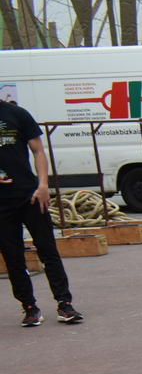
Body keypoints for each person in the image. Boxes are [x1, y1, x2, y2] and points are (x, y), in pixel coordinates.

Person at [0, 97, 81, 327]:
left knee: (48, 250)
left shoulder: (18, 114)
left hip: (31, 195)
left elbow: (38, 151)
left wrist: (43, 185)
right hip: (2, 203)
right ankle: (29, 307)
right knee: (13, 257)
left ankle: (64, 304)